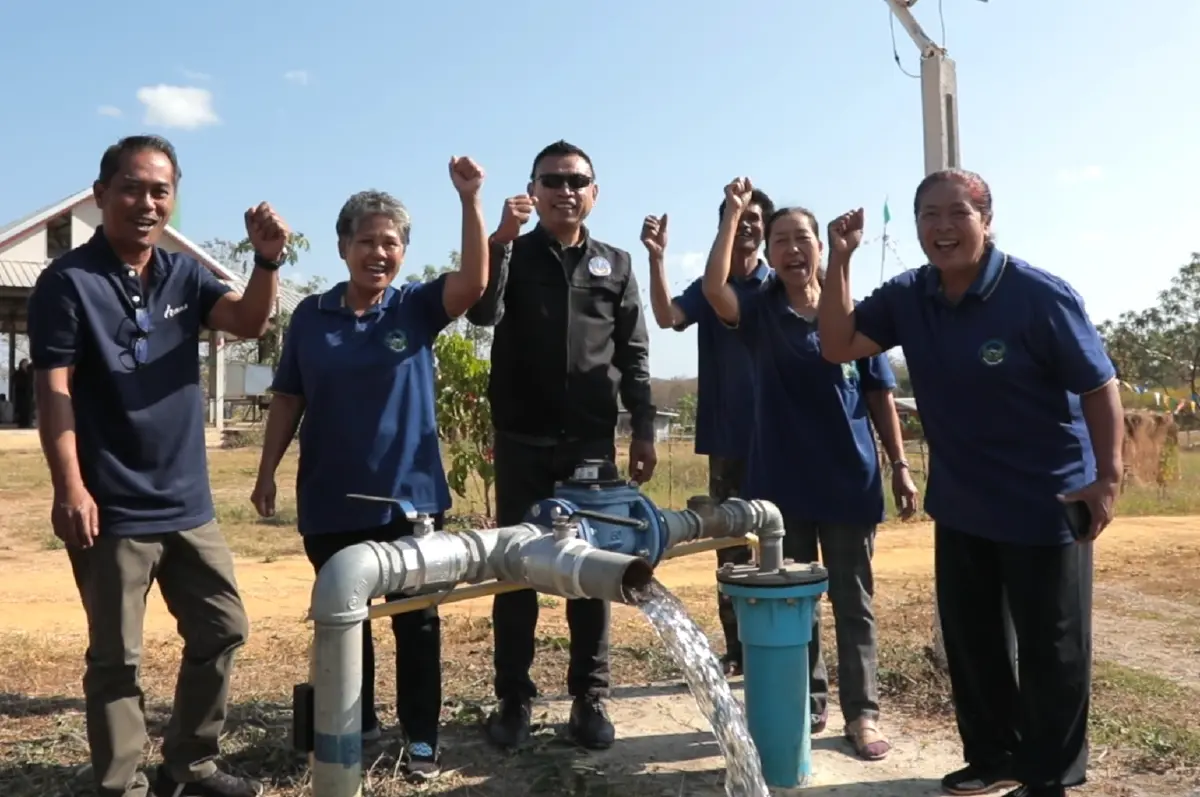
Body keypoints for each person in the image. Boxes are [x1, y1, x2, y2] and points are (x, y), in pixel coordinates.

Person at [817, 169, 1123, 797]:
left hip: (1047, 500)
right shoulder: (910, 295)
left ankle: (1048, 775)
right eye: (928, 215)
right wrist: (840, 260)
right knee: (973, 643)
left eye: (957, 213)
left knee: (1052, 649)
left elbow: (1099, 385)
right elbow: (837, 344)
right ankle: (992, 756)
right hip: (961, 502)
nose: (942, 228)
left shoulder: (1039, 295)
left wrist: (1109, 477)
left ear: (986, 219)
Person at [26, 134, 286, 797]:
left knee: (223, 627)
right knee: (117, 658)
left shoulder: (183, 275)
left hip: (188, 503)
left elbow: (250, 321)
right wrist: (71, 486)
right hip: (112, 507)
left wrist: (266, 260)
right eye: (134, 188)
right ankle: (120, 784)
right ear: (102, 194)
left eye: (161, 190)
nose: (148, 202)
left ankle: (189, 765)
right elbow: (54, 390)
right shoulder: (67, 283)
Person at [249, 158, 492, 781]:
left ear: (403, 252)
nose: (378, 252)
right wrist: (266, 472)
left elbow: (471, 281)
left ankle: (422, 742)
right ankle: (352, 731)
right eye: (366, 241)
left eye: (390, 242)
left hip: (409, 506)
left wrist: (470, 200)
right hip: (330, 503)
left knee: (417, 626)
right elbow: (288, 399)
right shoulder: (311, 317)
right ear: (343, 247)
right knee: (345, 623)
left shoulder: (414, 308)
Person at [702, 178, 917, 760]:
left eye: (802, 238)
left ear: (820, 248)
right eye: (780, 240)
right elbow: (714, 286)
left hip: (850, 479)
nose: (793, 249)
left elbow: (878, 396)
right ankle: (807, 701)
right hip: (780, 486)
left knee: (854, 600)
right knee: (797, 599)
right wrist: (734, 216)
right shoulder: (758, 312)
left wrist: (900, 465)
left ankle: (863, 714)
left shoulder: (850, 309)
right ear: (768, 254)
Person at [470, 140, 657, 752]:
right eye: (552, 180)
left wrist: (646, 429)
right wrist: (499, 240)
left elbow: (632, 355)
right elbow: (482, 313)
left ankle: (589, 698)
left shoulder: (617, 264)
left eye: (577, 181)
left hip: (591, 446)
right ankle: (513, 699)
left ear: (594, 193)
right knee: (516, 572)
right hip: (522, 441)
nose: (565, 190)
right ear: (534, 189)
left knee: (591, 572)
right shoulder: (513, 254)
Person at [642, 186, 775, 677]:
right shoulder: (707, 286)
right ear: (722, 226)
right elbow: (665, 316)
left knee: (784, 545)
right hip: (727, 439)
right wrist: (657, 260)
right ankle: (739, 649)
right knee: (732, 549)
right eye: (735, 218)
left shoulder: (781, 284)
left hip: (780, 440)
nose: (746, 226)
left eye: (754, 218)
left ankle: (782, 649)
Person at [12, 357, 33, 427]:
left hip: (28, 394)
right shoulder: (18, 373)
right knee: (22, 410)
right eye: (24, 363)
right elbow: (17, 382)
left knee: (29, 409)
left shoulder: (30, 373)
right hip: (21, 394)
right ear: (21, 364)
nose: (26, 364)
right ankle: (22, 424)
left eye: (27, 363)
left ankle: (28, 423)